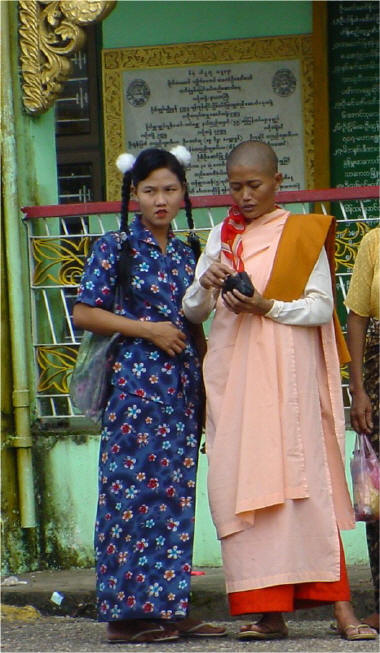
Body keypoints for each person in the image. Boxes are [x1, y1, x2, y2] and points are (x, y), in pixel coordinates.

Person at [182, 140, 378, 642]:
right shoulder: (220, 236)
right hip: (238, 386)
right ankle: (269, 614)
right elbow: (192, 313)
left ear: (276, 182)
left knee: (305, 491)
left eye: (254, 185)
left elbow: (318, 308)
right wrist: (206, 284)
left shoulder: (300, 233)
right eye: (235, 186)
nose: (244, 196)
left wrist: (267, 307)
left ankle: (341, 610)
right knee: (243, 490)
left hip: (290, 388)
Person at [73, 146, 226, 643]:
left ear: (183, 195)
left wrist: (208, 385)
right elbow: (85, 314)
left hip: (181, 393)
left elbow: (197, 323)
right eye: (149, 190)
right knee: (129, 498)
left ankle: (170, 607)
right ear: (133, 195)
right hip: (135, 393)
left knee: (174, 499)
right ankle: (126, 617)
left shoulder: (187, 252)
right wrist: (149, 330)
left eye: (170, 189)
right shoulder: (114, 247)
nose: (160, 199)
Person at [345, 226, 379, 632]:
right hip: (377, 370)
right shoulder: (374, 242)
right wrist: (358, 387)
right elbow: (356, 319)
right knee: (378, 490)